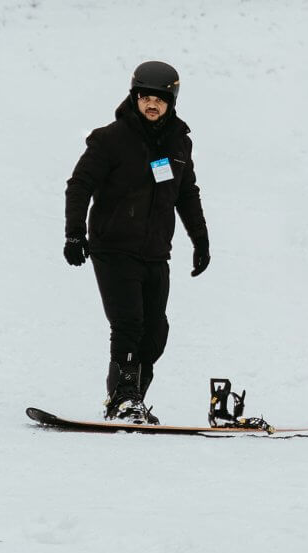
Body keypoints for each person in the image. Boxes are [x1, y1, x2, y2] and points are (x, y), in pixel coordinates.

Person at [64, 61, 210, 425]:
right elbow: (79, 185)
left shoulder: (179, 144)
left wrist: (201, 240)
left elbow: (186, 194)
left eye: (159, 99)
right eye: (145, 97)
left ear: (171, 102)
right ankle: (123, 400)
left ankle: (131, 400)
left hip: (156, 252)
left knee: (155, 330)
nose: (152, 104)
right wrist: (74, 233)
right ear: (135, 97)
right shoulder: (110, 139)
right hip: (113, 248)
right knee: (128, 323)